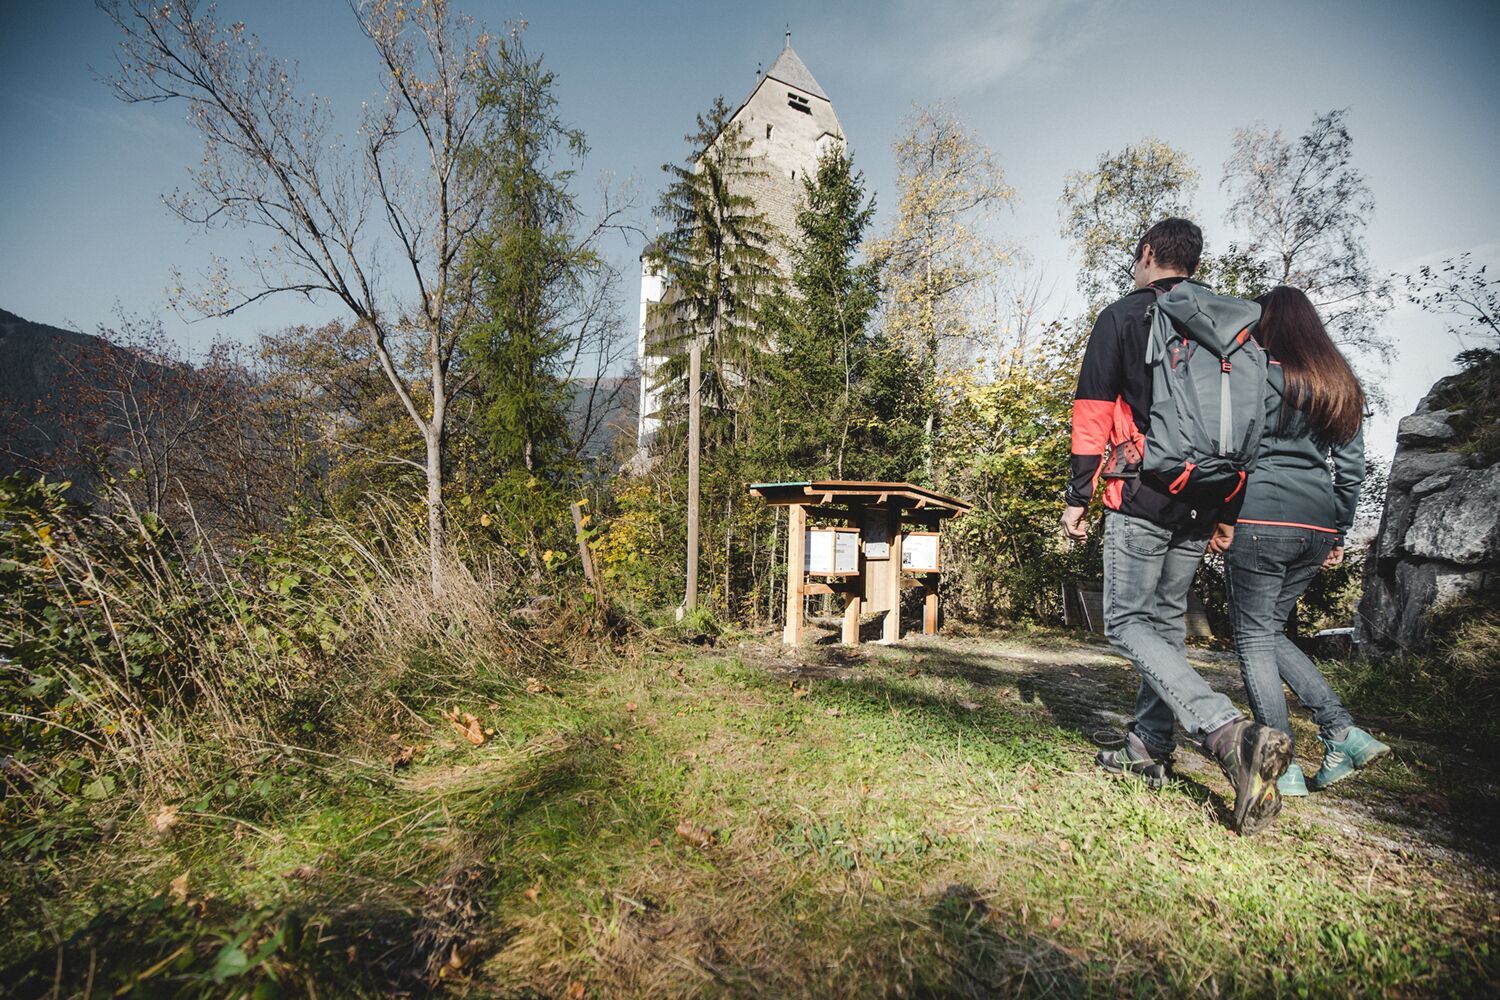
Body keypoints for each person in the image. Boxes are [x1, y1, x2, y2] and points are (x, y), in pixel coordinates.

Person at [1062, 217, 1292, 835]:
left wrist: (1079, 495)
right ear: (1191, 262)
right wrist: (1227, 511)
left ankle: (1228, 733)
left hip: (1143, 491)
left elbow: (1092, 410)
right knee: (1165, 625)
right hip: (1207, 495)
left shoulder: (1124, 315)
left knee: (1125, 622)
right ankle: (1148, 750)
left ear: (1147, 255)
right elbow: (1253, 428)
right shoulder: (1227, 324)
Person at [1225, 286, 1390, 795]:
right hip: (1316, 525)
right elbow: (1352, 469)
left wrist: (1217, 513)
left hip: (1260, 517)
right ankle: (1342, 733)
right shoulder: (1339, 381)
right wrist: (1338, 529)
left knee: (1253, 636)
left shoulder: (1258, 371)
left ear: (1266, 323)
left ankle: (1284, 764)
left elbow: (1236, 448)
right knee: (1270, 631)